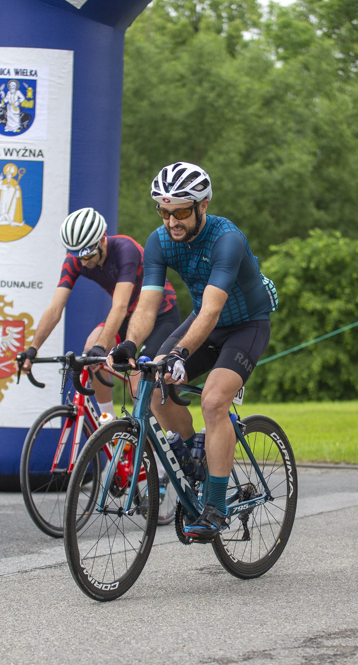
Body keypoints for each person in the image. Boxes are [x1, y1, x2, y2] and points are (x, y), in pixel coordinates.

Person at [109, 162, 278, 541]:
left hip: (246, 325)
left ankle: (216, 507)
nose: (172, 221)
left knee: (215, 401)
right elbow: (148, 304)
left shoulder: (226, 239)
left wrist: (180, 353)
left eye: (181, 211)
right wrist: (130, 344)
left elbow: (214, 308)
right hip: (203, 321)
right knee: (147, 385)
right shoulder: (159, 241)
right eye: (164, 211)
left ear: (203, 205)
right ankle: (192, 457)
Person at [22, 207, 181, 419]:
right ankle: (108, 421)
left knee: (137, 383)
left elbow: (120, 306)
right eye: (76, 256)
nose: (83, 262)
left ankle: (146, 445)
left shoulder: (126, 248)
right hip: (127, 317)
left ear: (102, 240)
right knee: (90, 353)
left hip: (160, 315)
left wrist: (101, 346)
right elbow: (55, 308)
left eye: (87, 254)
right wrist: (33, 349)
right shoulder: (76, 258)